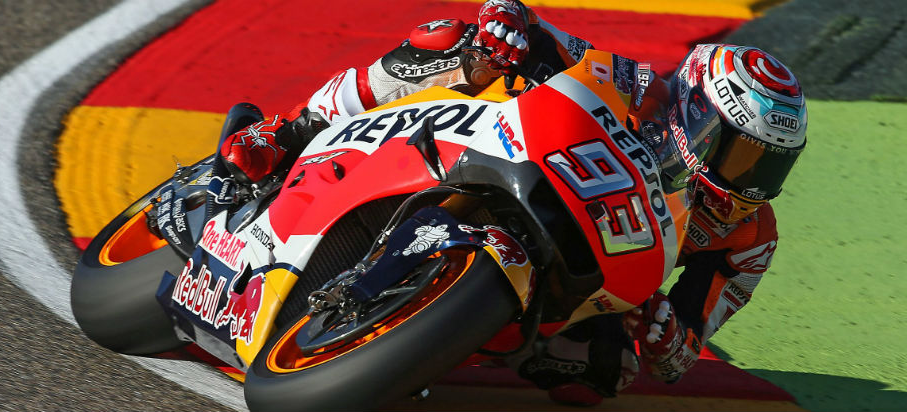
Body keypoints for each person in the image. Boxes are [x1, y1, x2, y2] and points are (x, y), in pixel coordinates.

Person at [214, 0, 807, 406]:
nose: (751, 181)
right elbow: (537, 29)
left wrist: (665, 335)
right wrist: (506, 24)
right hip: (501, 156)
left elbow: (681, 354)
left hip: (586, 275)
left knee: (604, 370)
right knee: (455, 42)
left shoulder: (749, 238)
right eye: (741, 155)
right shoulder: (637, 84)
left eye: (771, 165)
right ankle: (290, 130)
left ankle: (437, 338)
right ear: (698, 118)